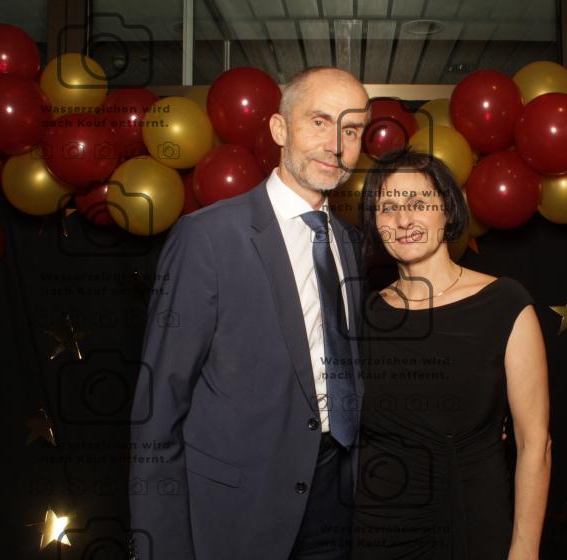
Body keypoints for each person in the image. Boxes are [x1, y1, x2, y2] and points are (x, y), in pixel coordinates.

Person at [129, 66, 370, 560]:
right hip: (238, 509)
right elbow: (160, 404)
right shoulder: (208, 237)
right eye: (320, 122)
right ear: (280, 129)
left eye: (351, 130)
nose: (336, 145)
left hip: (337, 500)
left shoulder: (348, 242)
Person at [352, 149, 552, 559]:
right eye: (388, 207)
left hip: (472, 522)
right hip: (378, 532)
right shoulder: (363, 316)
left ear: (447, 209)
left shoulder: (504, 303)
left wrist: (525, 550)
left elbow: (534, 442)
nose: (403, 220)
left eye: (417, 203)